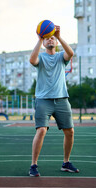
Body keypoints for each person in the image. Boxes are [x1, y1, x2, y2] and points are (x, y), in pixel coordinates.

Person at [29, 25, 79, 177]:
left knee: (70, 131)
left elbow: (71, 53)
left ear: (56, 42)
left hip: (62, 99)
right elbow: (32, 60)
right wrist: (39, 39)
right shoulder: (41, 57)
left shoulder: (61, 57)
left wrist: (59, 36)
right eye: (47, 39)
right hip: (43, 100)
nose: (50, 40)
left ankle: (66, 163)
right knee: (42, 130)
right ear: (44, 43)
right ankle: (33, 165)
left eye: (52, 38)